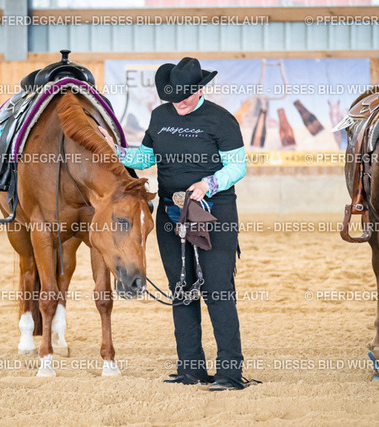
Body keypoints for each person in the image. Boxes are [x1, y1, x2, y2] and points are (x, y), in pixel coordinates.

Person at [99, 57, 257, 391]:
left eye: (185, 96)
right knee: (181, 289)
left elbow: (237, 166)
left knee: (217, 290)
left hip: (213, 214)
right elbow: (145, 158)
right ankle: (190, 368)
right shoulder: (161, 116)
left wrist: (208, 184)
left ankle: (230, 373)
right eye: (173, 97)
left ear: (199, 90)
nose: (179, 102)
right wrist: (115, 150)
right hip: (171, 214)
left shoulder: (221, 120)